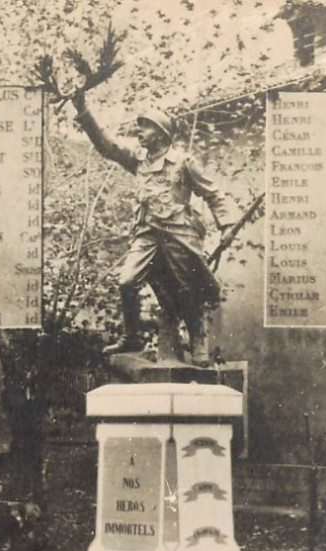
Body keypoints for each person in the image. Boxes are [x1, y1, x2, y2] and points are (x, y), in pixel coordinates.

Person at [72, 91, 237, 364]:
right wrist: (84, 111)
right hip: (147, 234)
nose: (139, 131)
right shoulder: (138, 160)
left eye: (145, 126)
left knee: (187, 290)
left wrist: (227, 223)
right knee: (126, 281)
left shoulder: (184, 162)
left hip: (179, 234)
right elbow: (106, 146)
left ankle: (198, 341)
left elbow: (213, 193)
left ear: (160, 133)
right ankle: (131, 336)